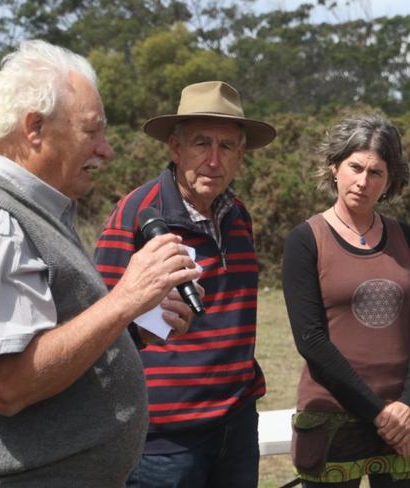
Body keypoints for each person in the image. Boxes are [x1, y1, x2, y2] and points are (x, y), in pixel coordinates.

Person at [0, 40, 200, 486]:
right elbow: (8, 386)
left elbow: (54, 337)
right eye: (92, 131)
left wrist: (136, 318)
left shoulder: (39, 208)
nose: (106, 149)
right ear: (34, 127)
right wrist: (125, 298)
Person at [94, 80, 276, 487]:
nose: (214, 159)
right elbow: (97, 320)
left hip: (236, 423)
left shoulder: (238, 215)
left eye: (227, 147)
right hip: (163, 439)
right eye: (201, 144)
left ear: (241, 155)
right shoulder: (135, 215)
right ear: (175, 149)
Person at [281, 114, 410, 487]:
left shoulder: (406, 238)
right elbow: (311, 341)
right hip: (334, 416)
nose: (362, 181)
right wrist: (377, 412)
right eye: (355, 167)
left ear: (389, 181)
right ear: (335, 167)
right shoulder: (306, 240)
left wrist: (408, 406)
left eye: (376, 172)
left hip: (404, 418)